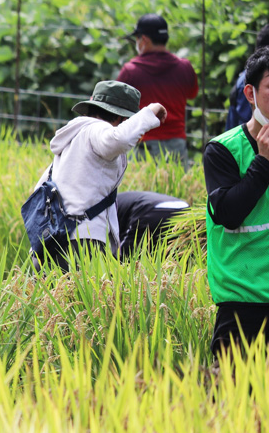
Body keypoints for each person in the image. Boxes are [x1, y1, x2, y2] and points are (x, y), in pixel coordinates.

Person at [204, 46, 269, 361]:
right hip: (243, 307)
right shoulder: (223, 150)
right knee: (236, 407)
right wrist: (263, 162)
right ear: (250, 93)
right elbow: (229, 214)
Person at [29, 80, 166, 272]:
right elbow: (120, 139)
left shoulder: (74, 136)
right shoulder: (97, 130)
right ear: (122, 119)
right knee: (86, 302)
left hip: (52, 238)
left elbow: (40, 188)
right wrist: (152, 110)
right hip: (82, 242)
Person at [117, 14, 199, 169]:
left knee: (142, 191)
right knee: (176, 191)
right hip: (177, 145)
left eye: (137, 38)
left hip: (143, 144)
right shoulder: (184, 67)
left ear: (145, 40)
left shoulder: (131, 71)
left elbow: (113, 104)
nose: (137, 43)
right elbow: (192, 93)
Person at [115, 191, 189, 260]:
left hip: (151, 209)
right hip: (184, 208)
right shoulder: (115, 200)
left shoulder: (108, 207)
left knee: (124, 258)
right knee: (176, 255)